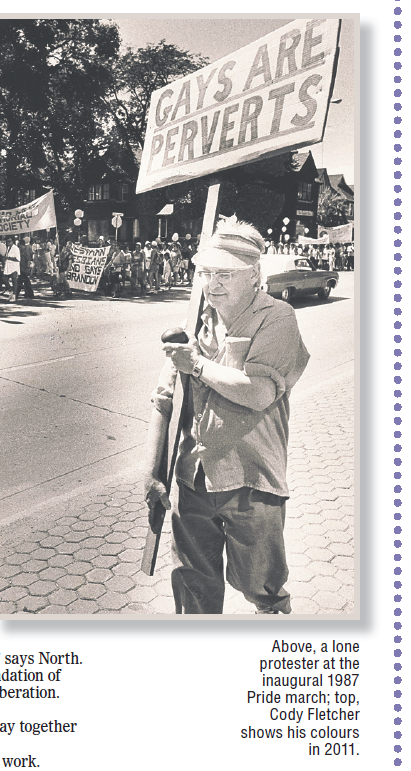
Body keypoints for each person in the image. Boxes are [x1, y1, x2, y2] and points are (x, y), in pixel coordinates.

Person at [143, 217, 310, 615]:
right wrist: (152, 471)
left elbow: (257, 391)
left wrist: (196, 365)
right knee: (193, 586)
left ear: (254, 274)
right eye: (205, 272)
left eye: (225, 274)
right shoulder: (195, 322)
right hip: (192, 477)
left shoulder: (277, 317)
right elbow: (164, 400)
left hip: (250, 481)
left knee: (263, 587)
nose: (212, 284)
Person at [2, 237, 20, 302]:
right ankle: (10, 291)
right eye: (7, 241)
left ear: (13, 241)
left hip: (14, 266)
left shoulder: (16, 248)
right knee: (4, 279)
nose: (8, 243)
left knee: (14, 281)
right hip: (8, 266)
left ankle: (14, 296)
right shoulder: (8, 248)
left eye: (9, 241)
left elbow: (18, 259)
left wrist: (9, 258)